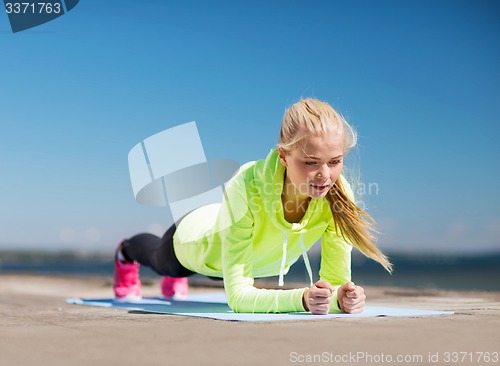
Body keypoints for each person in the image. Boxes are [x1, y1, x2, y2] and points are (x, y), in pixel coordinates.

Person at [113, 98, 392, 314]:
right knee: (163, 263)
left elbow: (335, 284)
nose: (325, 175)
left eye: (335, 161)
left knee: (223, 273)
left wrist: (343, 297)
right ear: (283, 156)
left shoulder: (339, 194)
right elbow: (238, 298)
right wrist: (303, 299)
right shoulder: (245, 184)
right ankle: (125, 253)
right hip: (197, 242)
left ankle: (177, 282)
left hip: (244, 255)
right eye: (310, 162)